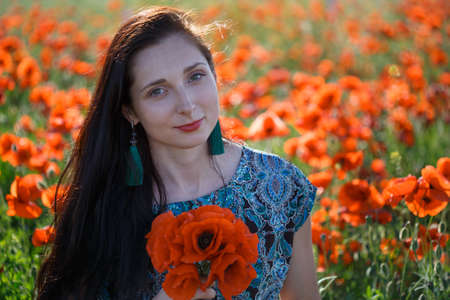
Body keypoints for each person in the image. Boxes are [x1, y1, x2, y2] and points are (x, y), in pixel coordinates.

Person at [35, 6, 321, 300]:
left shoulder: (280, 186)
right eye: (158, 91)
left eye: (195, 76)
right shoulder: (104, 209)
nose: (186, 104)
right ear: (130, 110)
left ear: (214, 74)